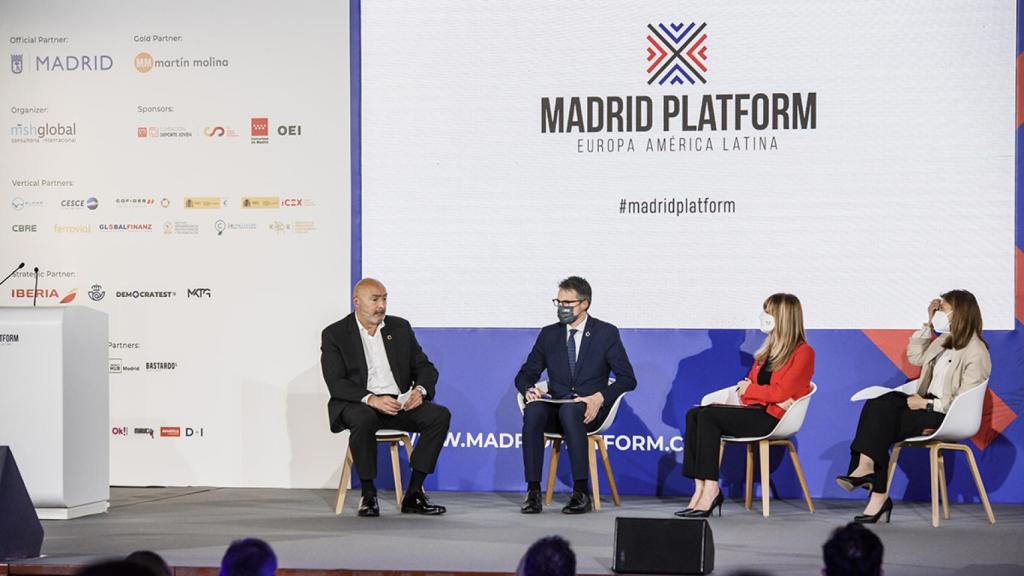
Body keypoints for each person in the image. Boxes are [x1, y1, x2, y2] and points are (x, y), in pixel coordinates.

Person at [836, 290, 991, 523]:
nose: (939, 312)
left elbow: (963, 400)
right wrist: (929, 324)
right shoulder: (942, 340)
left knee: (882, 424)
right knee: (878, 404)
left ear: (960, 313)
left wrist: (927, 404)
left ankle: (875, 488)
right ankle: (867, 470)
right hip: (923, 403)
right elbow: (915, 357)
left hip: (944, 414)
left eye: (943, 308)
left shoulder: (976, 351)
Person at [320, 278, 451, 516]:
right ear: (356, 302)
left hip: (397, 403)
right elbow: (336, 382)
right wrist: (371, 399)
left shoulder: (399, 328)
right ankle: (368, 494)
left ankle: (413, 494)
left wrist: (419, 391)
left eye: (384, 299)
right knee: (362, 419)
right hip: (360, 404)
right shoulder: (335, 334)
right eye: (375, 300)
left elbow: (425, 368)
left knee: (439, 416)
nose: (381, 306)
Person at [677, 293, 814, 517]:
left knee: (708, 416)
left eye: (769, 311)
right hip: (755, 411)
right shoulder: (766, 352)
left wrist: (756, 391)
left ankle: (712, 489)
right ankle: (699, 488)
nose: (764, 316)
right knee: (694, 414)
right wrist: (762, 393)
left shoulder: (803, 352)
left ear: (783, 316)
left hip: (773, 419)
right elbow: (747, 392)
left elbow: (778, 391)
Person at [515, 276, 637, 514]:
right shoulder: (549, 334)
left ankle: (581, 493)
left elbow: (627, 379)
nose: (562, 308)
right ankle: (532, 492)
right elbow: (526, 373)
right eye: (558, 302)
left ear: (585, 304)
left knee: (571, 411)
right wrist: (529, 389)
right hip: (557, 404)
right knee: (533, 410)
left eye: (568, 303)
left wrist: (599, 397)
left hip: (590, 408)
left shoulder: (605, 333)